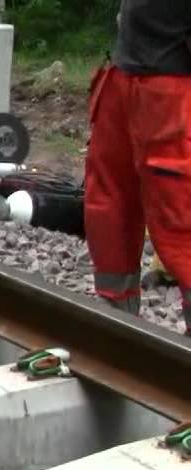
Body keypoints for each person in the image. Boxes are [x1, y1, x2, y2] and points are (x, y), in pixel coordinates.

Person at [84, 0, 191, 333]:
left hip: (170, 86)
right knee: (109, 209)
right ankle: (118, 329)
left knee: (181, 219)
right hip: (125, 75)